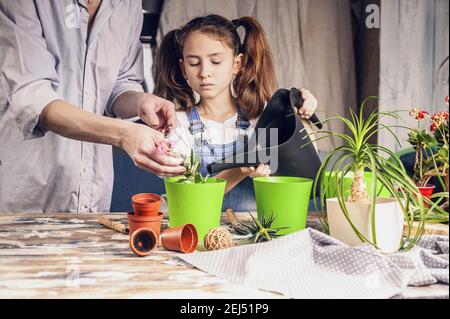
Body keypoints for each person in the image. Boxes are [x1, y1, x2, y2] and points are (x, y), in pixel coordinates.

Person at [0, 0, 185, 213]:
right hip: (28, 191)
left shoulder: (129, 5)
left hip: (94, 192)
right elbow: (33, 98)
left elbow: (120, 83)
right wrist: (125, 135)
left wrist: (140, 101)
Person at [154, 15, 318, 211]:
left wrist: (303, 117)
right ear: (183, 69)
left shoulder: (260, 116)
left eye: (215, 61)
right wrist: (239, 169)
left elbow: (296, 177)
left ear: (236, 64)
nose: (204, 72)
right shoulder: (177, 125)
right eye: (194, 63)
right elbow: (190, 197)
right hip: (197, 231)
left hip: (254, 230)